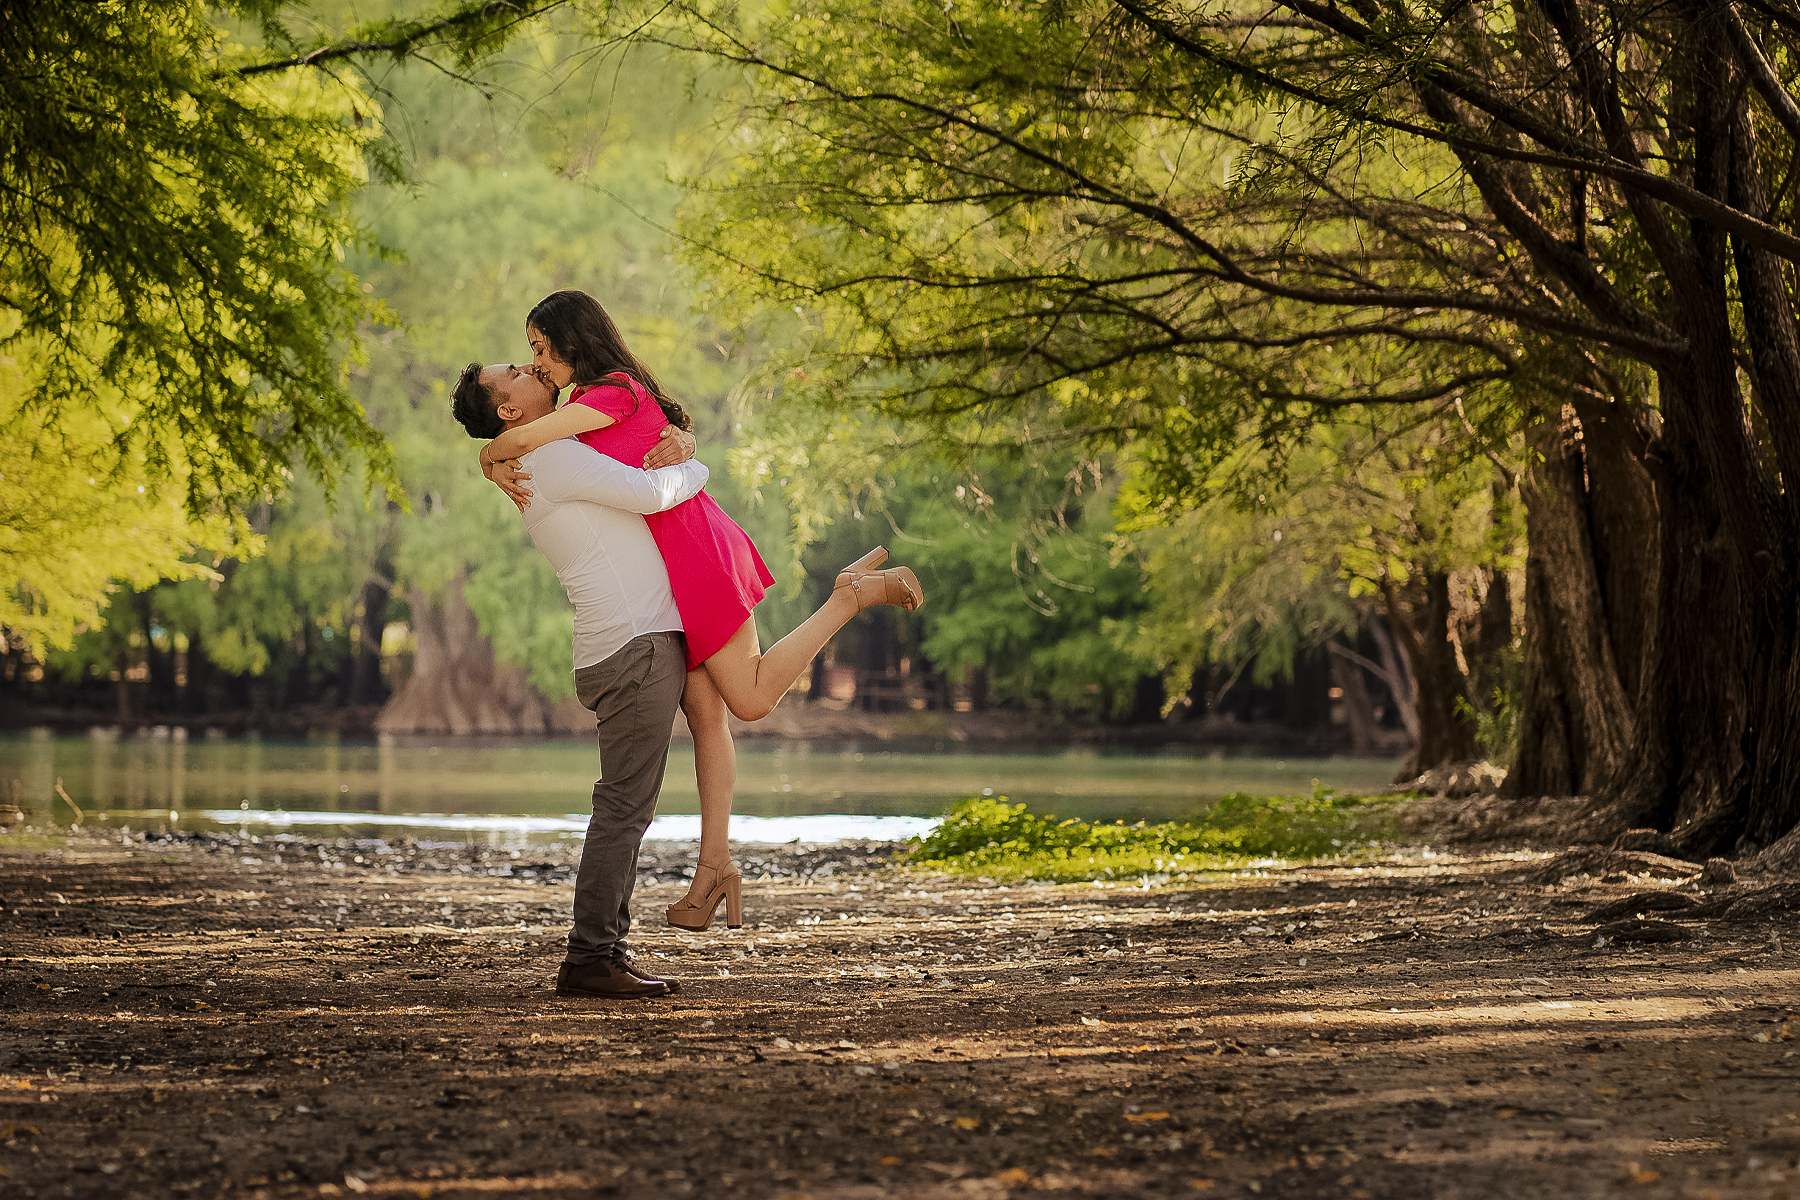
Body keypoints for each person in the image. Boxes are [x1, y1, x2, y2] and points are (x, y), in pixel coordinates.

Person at [475, 290, 923, 936]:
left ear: (576, 341)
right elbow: (551, 437)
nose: (537, 362)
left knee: (751, 698)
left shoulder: (609, 392)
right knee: (705, 714)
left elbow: (531, 436)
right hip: (671, 562)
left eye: (541, 349)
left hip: (696, 549)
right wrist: (499, 450)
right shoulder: (590, 403)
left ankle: (850, 593)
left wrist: (489, 454)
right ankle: (714, 869)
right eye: (529, 356)